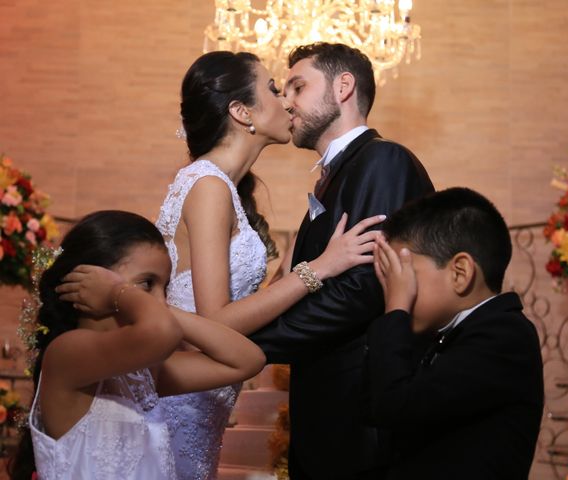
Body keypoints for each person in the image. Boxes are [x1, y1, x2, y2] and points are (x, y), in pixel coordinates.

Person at [156, 50, 386, 480]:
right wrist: (318, 268)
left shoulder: (223, 187)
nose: (287, 102)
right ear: (242, 112)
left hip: (205, 405)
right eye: (275, 89)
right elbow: (216, 321)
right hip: (181, 405)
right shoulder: (207, 185)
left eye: (293, 88)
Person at [248, 43, 435, 480]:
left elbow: (366, 286)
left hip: (363, 416)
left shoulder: (383, 159)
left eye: (298, 86)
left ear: (344, 86)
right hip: (330, 410)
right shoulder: (338, 175)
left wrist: (256, 343)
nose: (286, 101)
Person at [7, 210, 266, 480]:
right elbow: (161, 332)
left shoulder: (143, 373)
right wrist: (119, 293)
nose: (160, 300)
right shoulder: (66, 353)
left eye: (164, 287)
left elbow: (247, 359)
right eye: (147, 283)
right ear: (91, 282)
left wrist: (148, 299)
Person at [368, 187, 544, 480]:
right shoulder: (448, 333)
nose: (395, 288)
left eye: (405, 276)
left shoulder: (503, 336)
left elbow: (396, 406)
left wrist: (397, 307)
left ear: (460, 272)